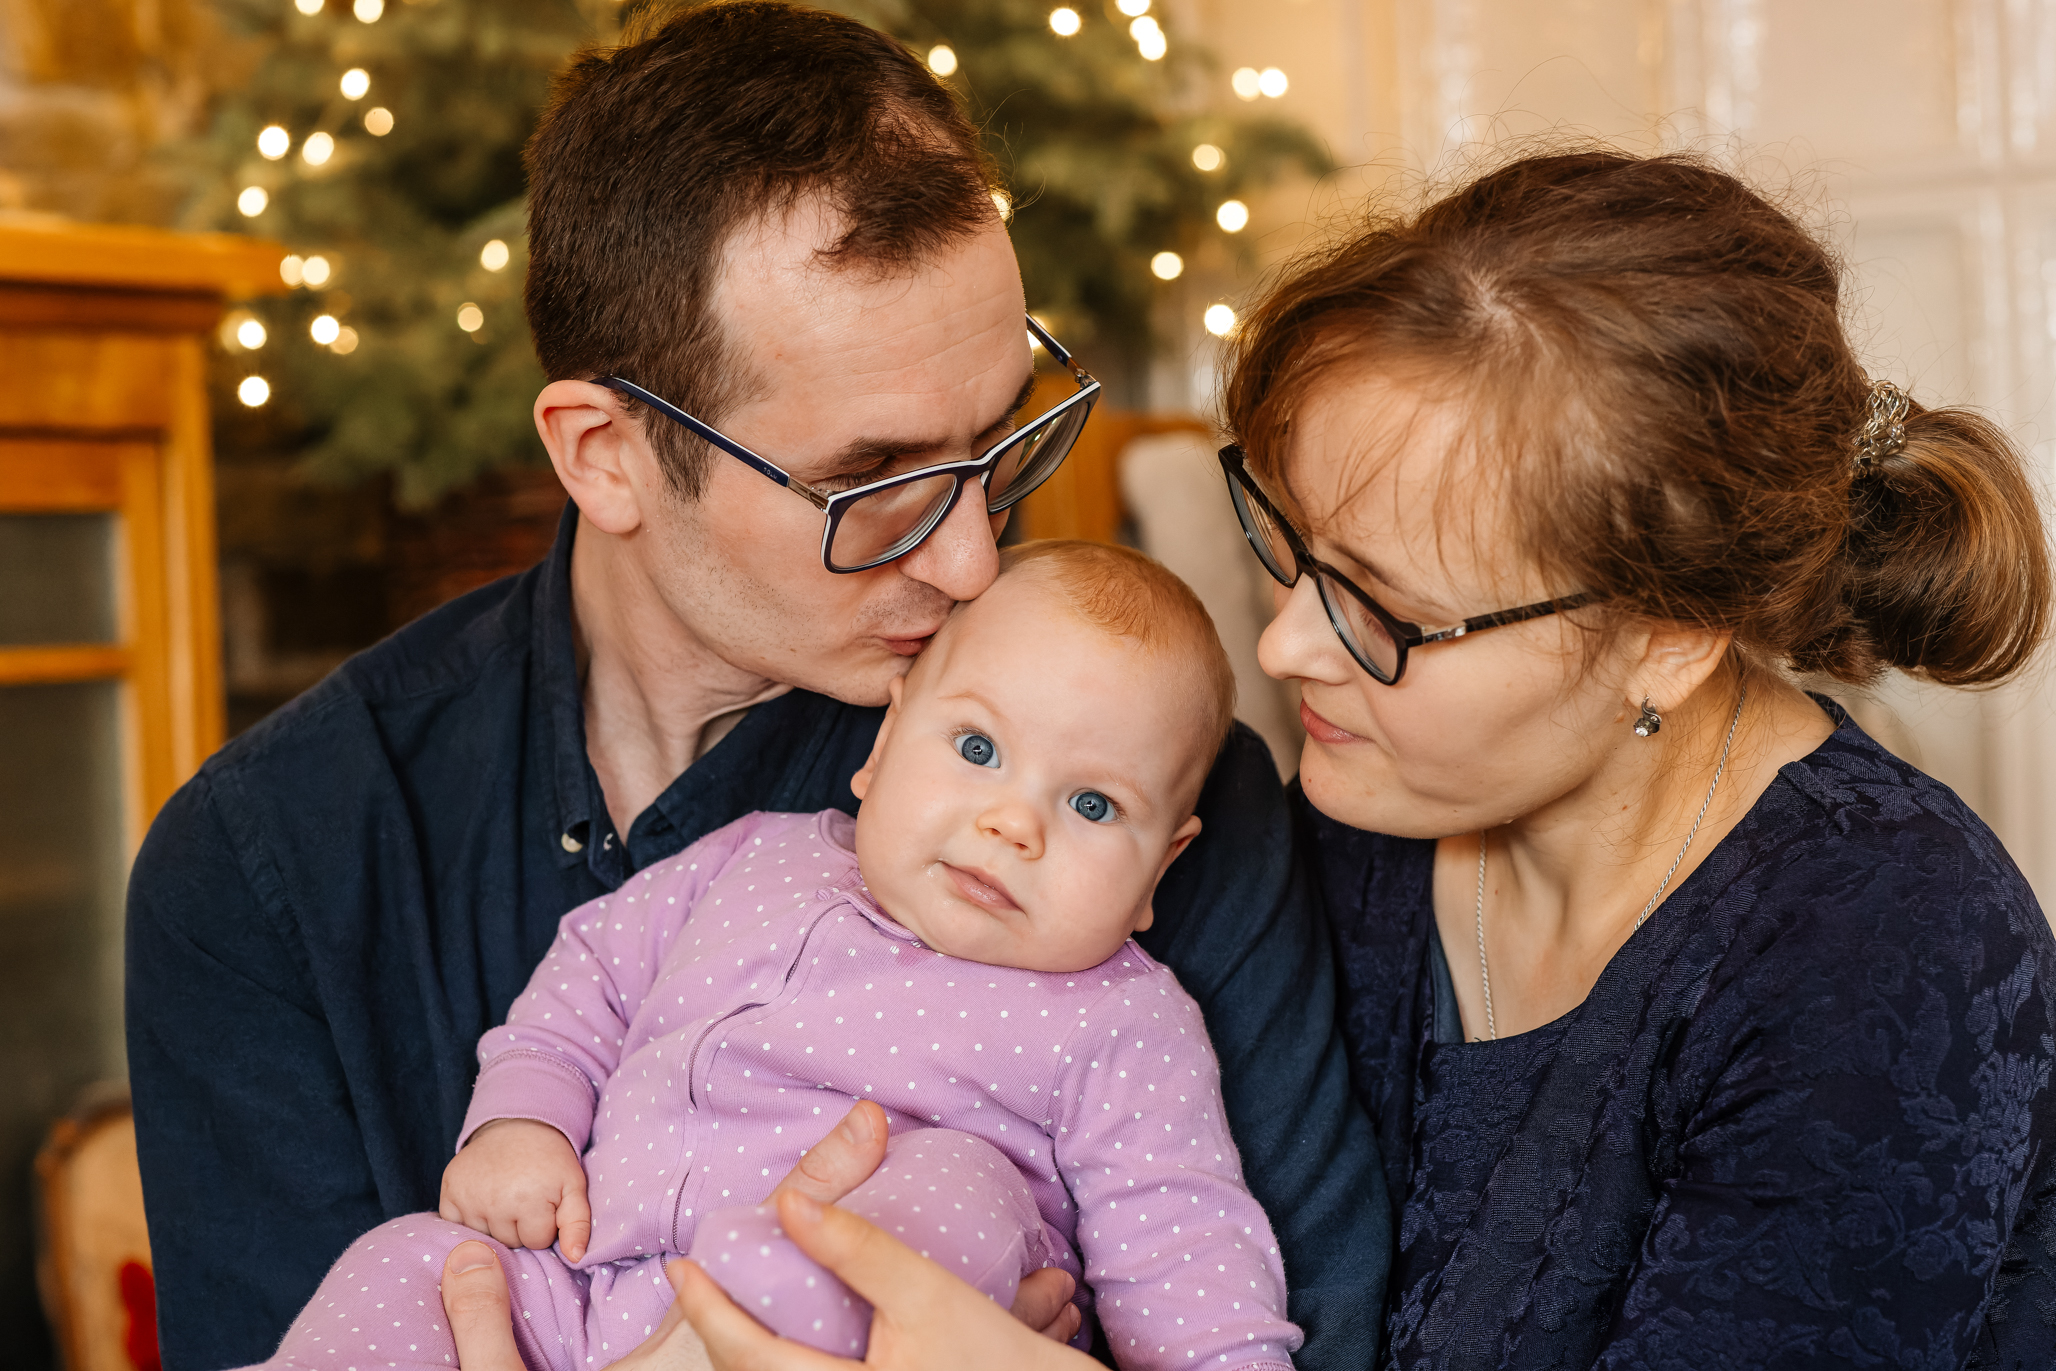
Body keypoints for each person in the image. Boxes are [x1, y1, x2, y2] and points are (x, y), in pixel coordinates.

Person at [123, 6, 1386, 1369]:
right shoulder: (264, 867)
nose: (972, 560)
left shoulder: (1136, 784)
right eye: (871, 482)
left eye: (1000, 439)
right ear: (604, 453)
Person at [653, 151, 2056, 1370]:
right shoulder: (1344, 821)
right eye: (1293, 548)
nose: (1284, 648)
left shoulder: (1893, 948)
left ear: (1667, 638)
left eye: (1383, 610)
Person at [250, 542, 1300, 1371]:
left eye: (1092, 805)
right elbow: (591, 976)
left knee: (958, 1178)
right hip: (585, 1292)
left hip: (878, 1323)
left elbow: (1183, 1238)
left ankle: (785, 1297)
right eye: (977, 749)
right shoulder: (752, 856)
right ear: (884, 745)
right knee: (417, 1262)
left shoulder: (1123, 1019)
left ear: (1161, 867)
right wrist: (524, 1118)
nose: (1013, 824)